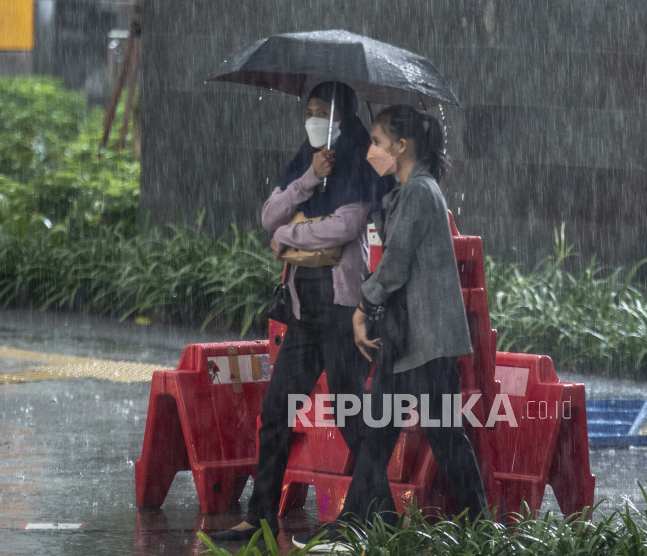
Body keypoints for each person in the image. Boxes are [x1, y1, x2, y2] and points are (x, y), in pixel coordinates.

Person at [292, 104, 487, 552]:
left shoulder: (420, 192)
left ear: (401, 147)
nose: (372, 151)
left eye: (378, 143)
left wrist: (362, 306)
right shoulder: (406, 192)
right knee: (377, 438)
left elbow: (395, 265)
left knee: (443, 436)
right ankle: (354, 525)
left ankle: (481, 526)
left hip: (426, 340)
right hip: (403, 338)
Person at [207, 82, 394, 542]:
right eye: (308, 111)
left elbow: (345, 226)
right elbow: (269, 215)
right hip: (303, 313)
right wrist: (309, 177)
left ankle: (382, 514)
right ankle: (260, 515)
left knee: (350, 413)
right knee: (276, 410)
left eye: (321, 113)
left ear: (341, 117)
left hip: (341, 309)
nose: (312, 121)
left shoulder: (355, 158)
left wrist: (291, 237)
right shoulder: (307, 158)